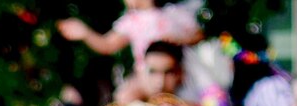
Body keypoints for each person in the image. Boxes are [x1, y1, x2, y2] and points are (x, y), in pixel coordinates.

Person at [55, 0, 198, 64]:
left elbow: (198, 35)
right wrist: (85, 33)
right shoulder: (130, 22)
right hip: (147, 80)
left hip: (180, 73)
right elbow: (107, 45)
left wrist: (179, 40)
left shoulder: (173, 13)